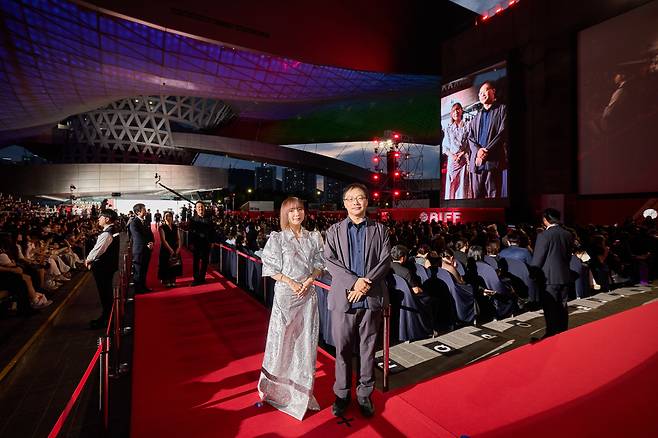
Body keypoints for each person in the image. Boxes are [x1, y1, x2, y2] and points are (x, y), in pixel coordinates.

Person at [324, 183, 391, 418]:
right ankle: (342, 394)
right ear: (344, 203)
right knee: (342, 350)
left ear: (366, 201)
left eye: (360, 198)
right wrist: (354, 283)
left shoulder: (380, 230)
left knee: (368, 350)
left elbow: (385, 260)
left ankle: (364, 394)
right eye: (351, 198)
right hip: (344, 299)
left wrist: (364, 285)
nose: (355, 202)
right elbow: (330, 261)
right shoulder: (334, 231)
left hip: (370, 299)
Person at [257, 197, 325, 420]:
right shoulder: (277, 238)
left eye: (300, 209)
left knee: (305, 342)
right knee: (282, 341)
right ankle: (275, 389)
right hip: (286, 296)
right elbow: (270, 268)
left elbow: (320, 264)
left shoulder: (314, 237)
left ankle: (301, 394)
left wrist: (309, 280)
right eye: (292, 210)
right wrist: (292, 283)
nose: (297, 214)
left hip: (307, 295)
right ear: (285, 214)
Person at [530, 208, 574, 340]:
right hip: (564, 275)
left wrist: (533, 274)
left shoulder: (544, 235)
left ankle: (551, 335)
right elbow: (568, 256)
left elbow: (538, 258)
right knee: (562, 306)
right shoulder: (568, 234)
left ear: (545, 220)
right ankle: (562, 332)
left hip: (549, 277)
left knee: (550, 308)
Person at [467, 81, 508, 198]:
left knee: (494, 199)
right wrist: (478, 151)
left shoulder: (502, 110)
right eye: (479, 93)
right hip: (477, 164)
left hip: (493, 162)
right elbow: (470, 138)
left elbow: (503, 132)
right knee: (477, 199)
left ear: (493, 91)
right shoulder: (476, 117)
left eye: (484, 91)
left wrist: (486, 151)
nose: (481, 94)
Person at [85, 209, 120, 328]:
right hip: (109, 266)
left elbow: (98, 250)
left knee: (105, 294)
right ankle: (108, 316)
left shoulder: (107, 234)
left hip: (103, 267)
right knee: (107, 293)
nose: (98, 219)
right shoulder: (113, 230)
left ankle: (107, 319)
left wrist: (88, 259)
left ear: (107, 219)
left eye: (100, 217)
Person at [444, 102, 472, 200]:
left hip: (463, 160)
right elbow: (445, 147)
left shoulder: (467, 126)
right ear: (451, 113)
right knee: (452, 184)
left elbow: (470, 144)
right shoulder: (448, 128)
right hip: (452, 160)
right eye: (453, 110)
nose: (456, 112)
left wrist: (462, 154)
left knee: (462, 183)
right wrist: (453, 156)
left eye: (458, 109)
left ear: (461, 111)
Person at [129, 203, 154, 294]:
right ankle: (138, 289)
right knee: (138, 270)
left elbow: (150, 233)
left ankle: (143, 286)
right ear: (138, 212)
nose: (146, 211)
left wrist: (152, 242)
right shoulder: (134, 222)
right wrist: (147, 244)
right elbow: (137, 236)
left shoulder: (146, 221)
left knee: (144, 269)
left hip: (147, 249)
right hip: (139, 250)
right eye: (144, 209)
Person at [188, 201, 214, 285]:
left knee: (205, 261)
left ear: (204, 208)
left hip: (206, 243)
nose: (200, 208)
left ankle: (202, 278)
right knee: (196, 261)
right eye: (198, 207)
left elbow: (212, 231)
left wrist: (212, 241)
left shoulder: (209, 219)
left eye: (202, 206)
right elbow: (190, 232)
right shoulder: (192, 219)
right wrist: (190, 243)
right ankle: (196, 279)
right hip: (196, 243)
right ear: (196, 209)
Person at [158, 211, 181, 288]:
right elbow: (163, 240)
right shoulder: (162, 227)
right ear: (164, 218)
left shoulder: (175, 227)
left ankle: (173, 280)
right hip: (166, 248)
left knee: (174, 264)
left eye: (170, 216)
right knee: (165, 264)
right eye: (166, 216)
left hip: (175, 247)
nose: (168, 217)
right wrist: (170, 249)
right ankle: (166, 280)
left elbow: (179, 238)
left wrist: (178, 248)